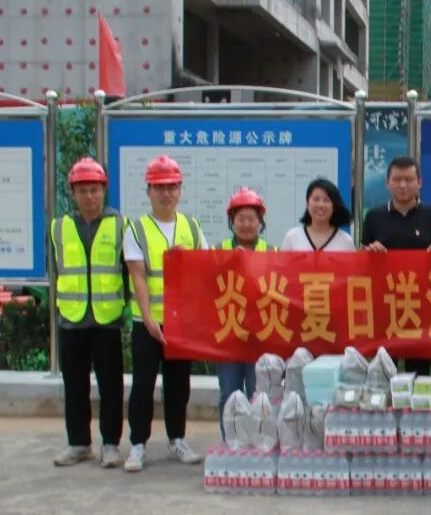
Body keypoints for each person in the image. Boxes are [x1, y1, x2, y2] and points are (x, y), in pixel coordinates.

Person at [123, 155, 209, 472]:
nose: (166, 193)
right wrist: (148, 319)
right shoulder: (137, 229)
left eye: (172, 187)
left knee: (178, 384)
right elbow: (138, 277)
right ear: (149, 191)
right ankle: (138, 444)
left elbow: (205, 268)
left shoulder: (191, 226)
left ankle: (177, 439)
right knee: (143, 385)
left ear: (180, 190)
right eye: (159, 187)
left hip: (180, 323)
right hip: (147, 322)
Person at [49, 158, 128, 468]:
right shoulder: (59, 227)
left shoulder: (119, 225)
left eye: (94, 190)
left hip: (107, 319)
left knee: (111, 387)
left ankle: (110, 444)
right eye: (83, 190)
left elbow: (128, 270)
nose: (89, 196)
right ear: (73, 193)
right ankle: (79, 443)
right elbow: (57, 271)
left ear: (103, 190)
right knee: (75, 386)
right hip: (72, 319)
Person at [361, 156, 431, 376]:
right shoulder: (374, 217)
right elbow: (361, 261)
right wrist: (371, 252)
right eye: (397, 179)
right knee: (383, 366)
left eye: (409, 179)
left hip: (421, 303)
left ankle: (417, 398)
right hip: (385, 303)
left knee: (419, 369)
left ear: (420, 182)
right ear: (387, 183)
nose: (403, 185)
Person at [216, 187, 274, 440]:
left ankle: (257, 441)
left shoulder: (272, 252)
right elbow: (206, 285)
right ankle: (230, 442)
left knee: (258, 394)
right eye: (241, 219)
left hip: (260, 337)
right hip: (228, 336)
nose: (247, 224)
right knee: (229, 393)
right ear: (232, 221)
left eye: (252, 219)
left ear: (260, 222)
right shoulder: (218, 251)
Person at [280, 178, 355, 251]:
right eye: (316, 199)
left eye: (326, 200)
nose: (321, 205)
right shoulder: (292, 237)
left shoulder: (346, 241)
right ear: (307, 203)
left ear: (334, 205)